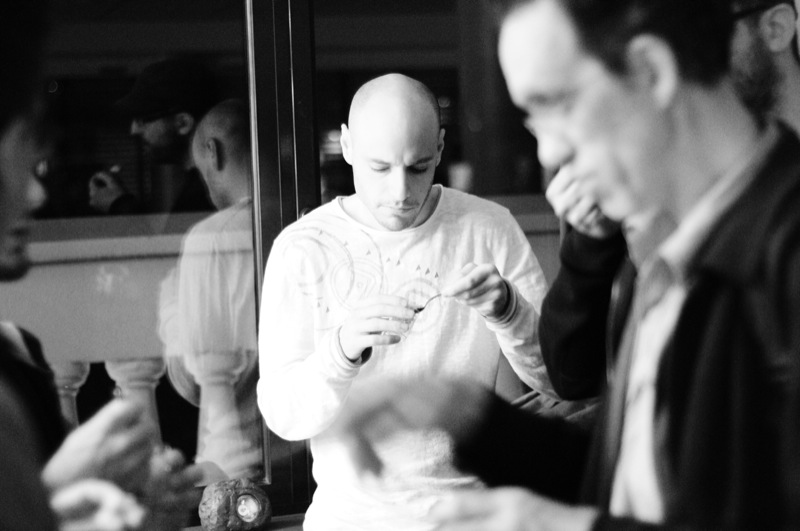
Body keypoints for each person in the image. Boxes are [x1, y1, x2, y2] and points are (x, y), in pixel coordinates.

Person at [329, 0, 800, 528]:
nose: (548, 153)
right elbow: (629, 483)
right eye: (533, 119)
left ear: (652, 71)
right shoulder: (655, 262)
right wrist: (467, 414)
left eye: (555, 104)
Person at [257, 72, 553, 529]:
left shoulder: (489, 228)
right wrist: (341, 350)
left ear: (440, 147)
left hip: (472, 517)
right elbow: (283, 415)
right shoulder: (303, 248)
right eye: (380, 168)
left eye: (418, 168)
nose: (400, 193)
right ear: (347, 146)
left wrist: (510, 313)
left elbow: (557, 379)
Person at [540, 0, 800, 402]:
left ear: (776, 28)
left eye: (699, 34)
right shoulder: (658, 175)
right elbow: (572, 376)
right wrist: (592, 243)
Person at [163, 99, 262, 482]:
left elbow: (196, 380)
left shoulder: (212, 238)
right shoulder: (319, 222)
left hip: (240, 456)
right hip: (315, 453)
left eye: (200, 171)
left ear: (212, 151)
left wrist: (170, 310)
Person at [88, 57, 216, 217]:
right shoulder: (203, 183)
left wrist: (119, 205)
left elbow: (180, 234)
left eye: (142, 119)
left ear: (183, 123)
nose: (133, 130)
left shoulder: (208, 192)